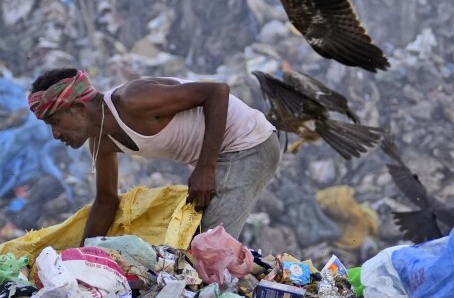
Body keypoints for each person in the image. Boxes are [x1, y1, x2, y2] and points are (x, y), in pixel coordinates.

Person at [27, 68, 280, 240]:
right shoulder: (102, 141)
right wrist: (82, 258)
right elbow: (106, 201)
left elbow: (217, 92)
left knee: (209, 251)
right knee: (187, 248)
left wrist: (206, 167)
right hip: (220, 156)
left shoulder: (132, 101)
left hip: (249, 144)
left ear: (79, 108)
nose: (55, 134)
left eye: (55, 122)